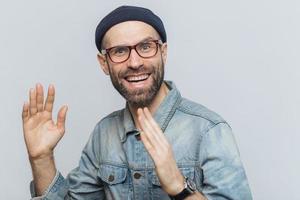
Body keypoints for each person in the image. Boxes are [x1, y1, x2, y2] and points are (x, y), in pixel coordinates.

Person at [22, 5, 252, 200]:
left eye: (145, 47)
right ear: (104, 64)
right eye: (120, 51)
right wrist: (41, 159)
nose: (134, 62)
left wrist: (180, 188)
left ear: (163, 52)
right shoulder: (104, 133)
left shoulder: (209, 130)